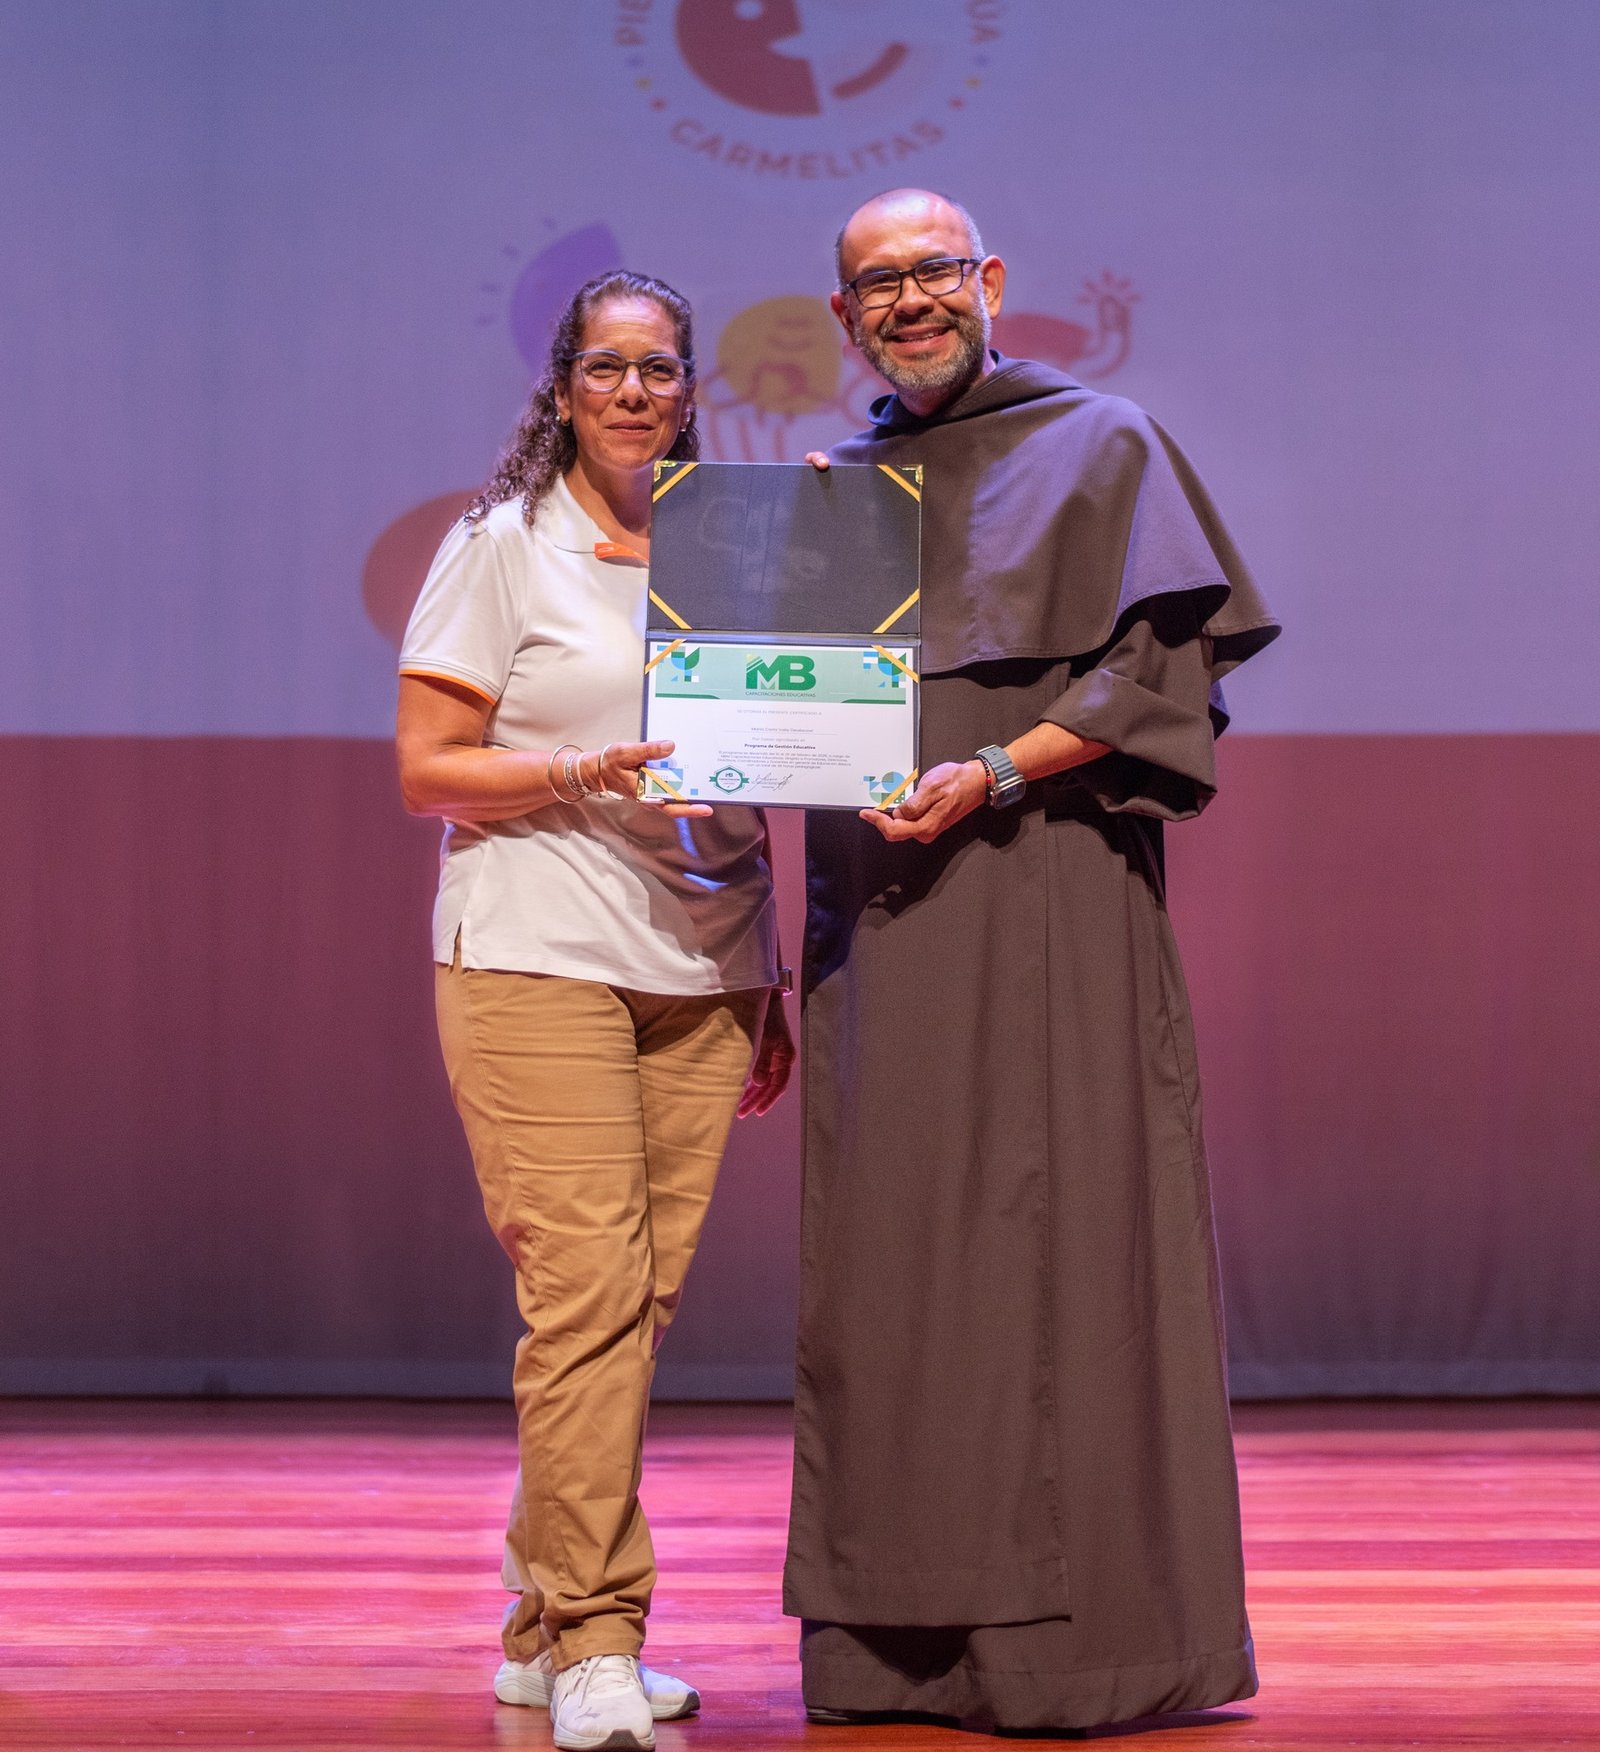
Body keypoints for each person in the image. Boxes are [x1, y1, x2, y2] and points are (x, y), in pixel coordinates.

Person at [783, 190, 1280, 1734]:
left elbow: (1157, 678)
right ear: (846, 314)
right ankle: (894, 1654)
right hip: (881, 918)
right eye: (878, 283)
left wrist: (997, 772)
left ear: (989, 279)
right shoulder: (838, 490)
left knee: (1064, 1251)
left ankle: (1088, 1649)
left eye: (935, 270)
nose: (910, 300)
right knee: (895, 1272)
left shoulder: (1104, 445)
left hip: (1049, 893)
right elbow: (776, 709)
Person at [396, 269, 794, 1752]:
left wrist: (766, 975)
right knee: (587, 1301)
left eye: (661, 368)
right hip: (536, 952)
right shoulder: (503, 542)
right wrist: (578, 770)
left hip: (704, 967)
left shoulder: (733, 548)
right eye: (607, 367)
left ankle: (534, 1630)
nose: (634, 391)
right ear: (563, 387)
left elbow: (761, 773)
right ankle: (599, 1645)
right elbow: (428, 769)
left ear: (693, 390)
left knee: (630, 1313)